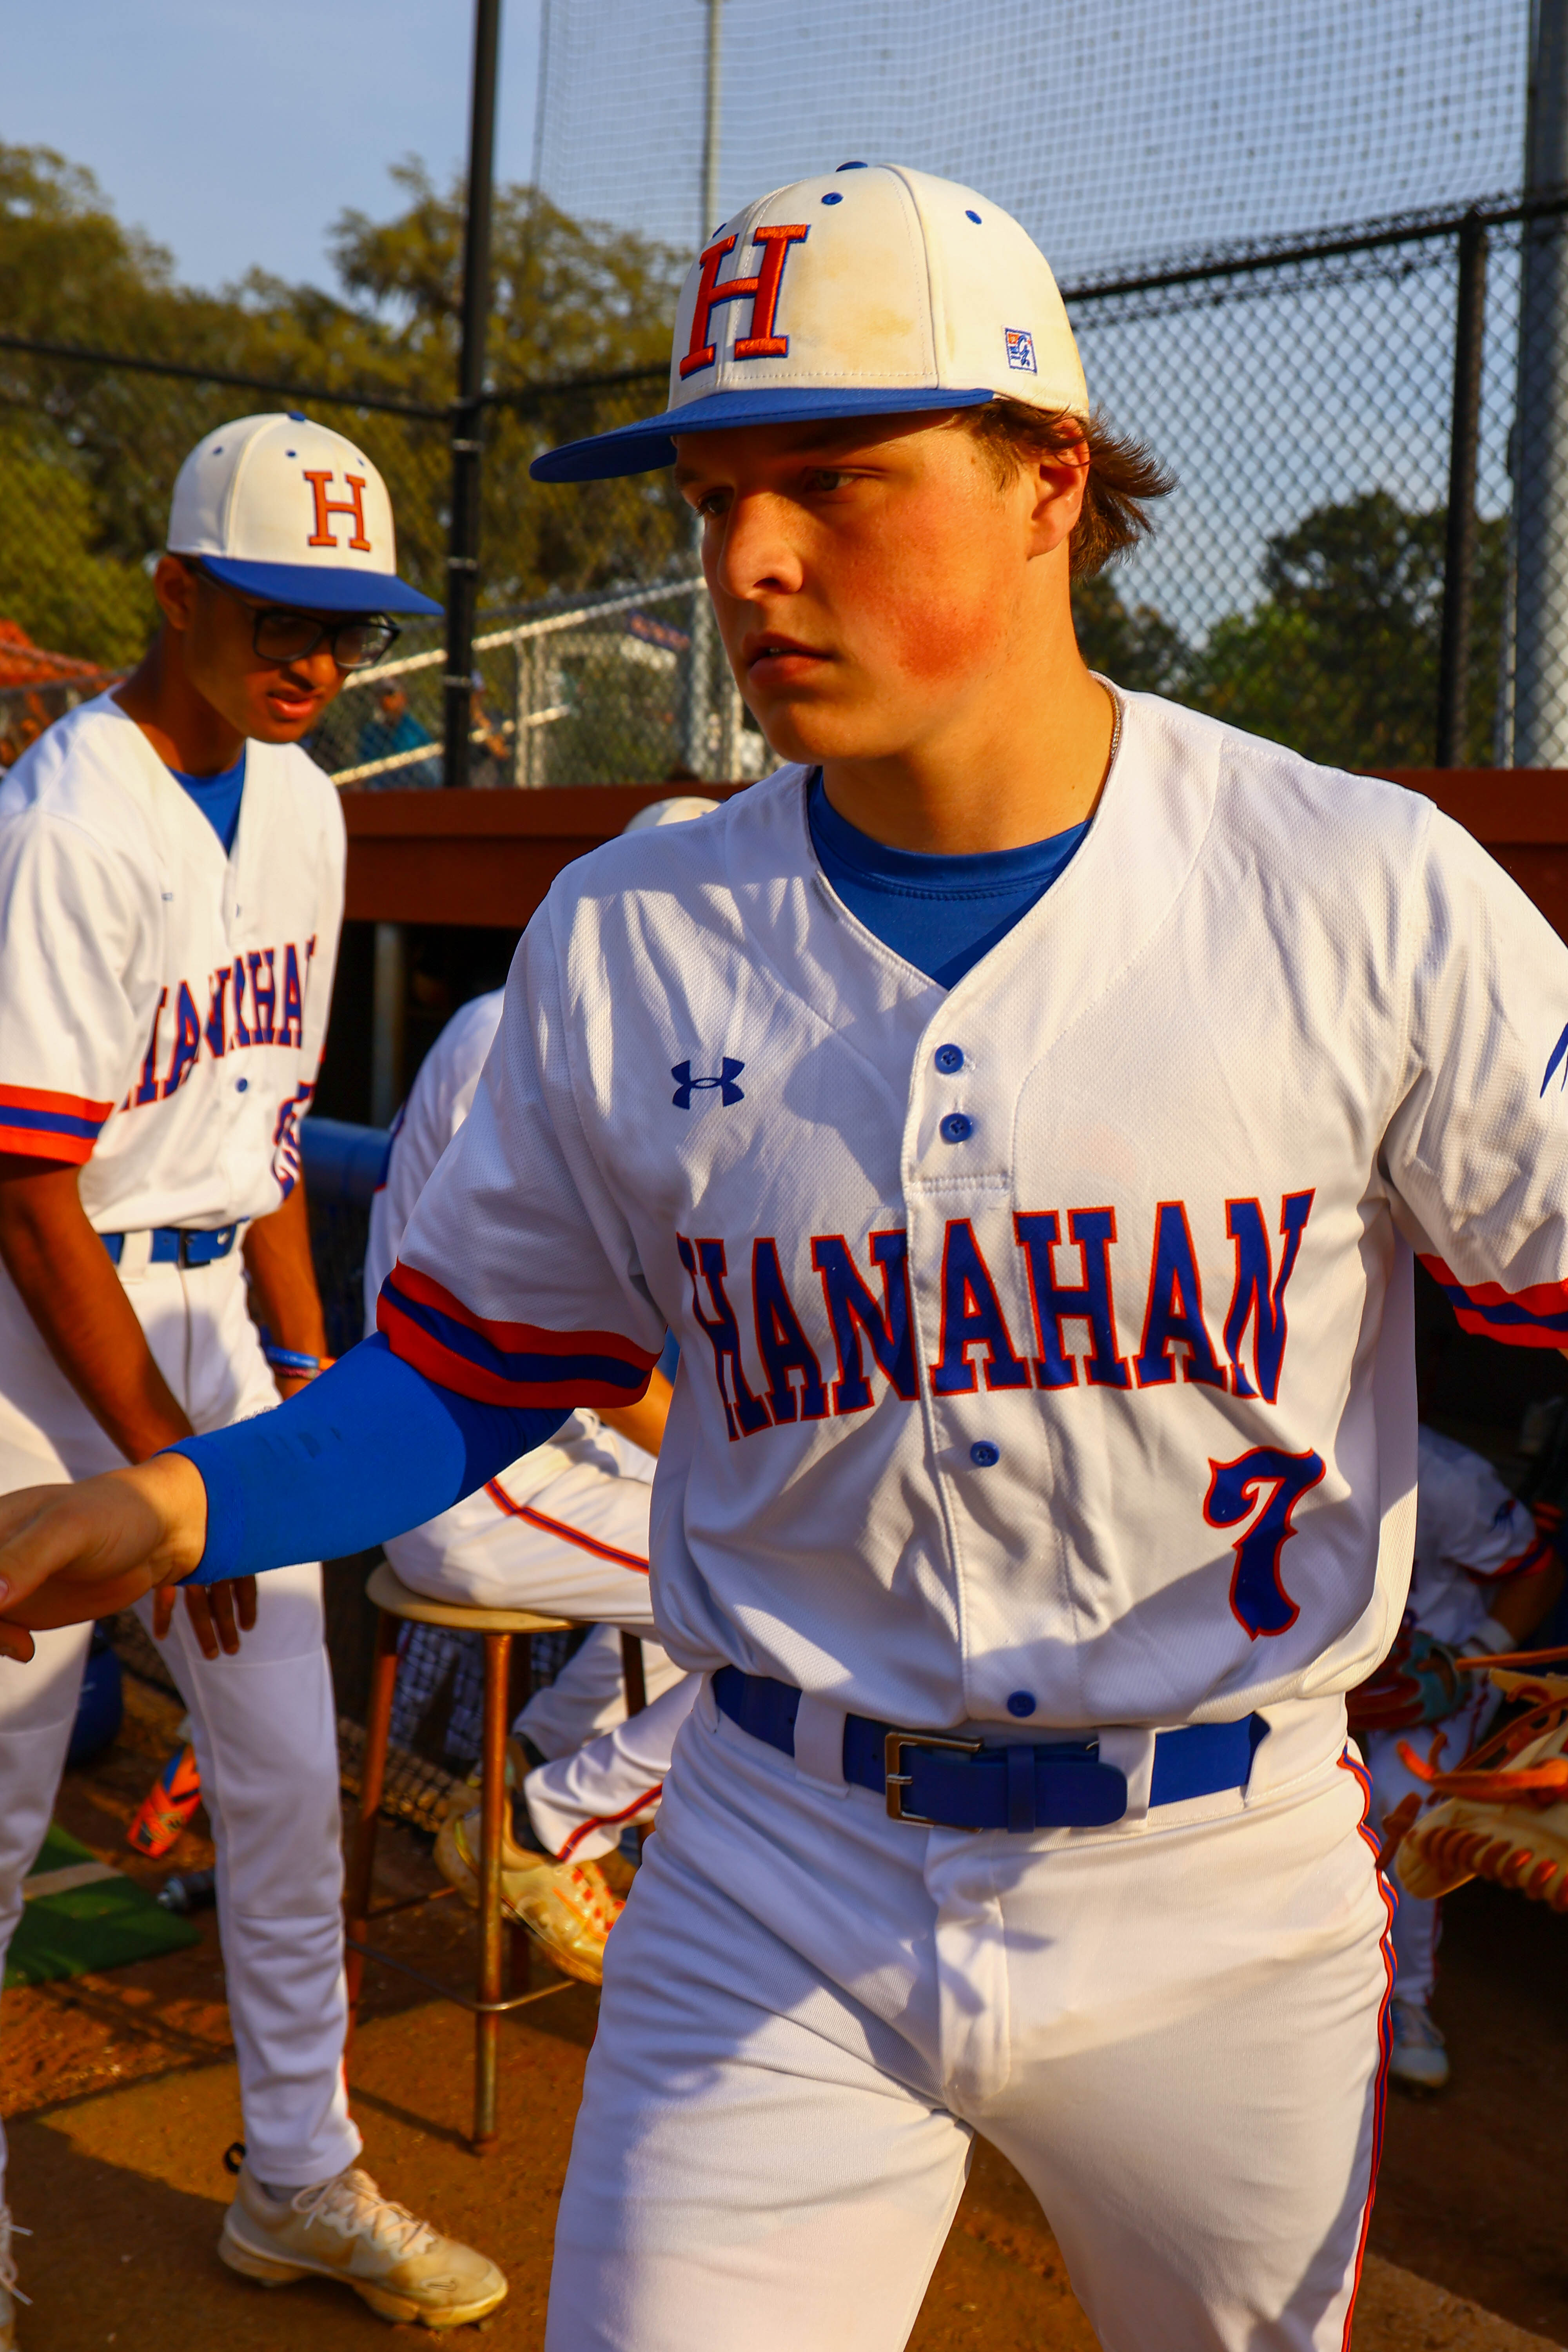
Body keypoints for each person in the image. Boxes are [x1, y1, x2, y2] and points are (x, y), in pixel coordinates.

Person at [6, 163, 1568, 2351]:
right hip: (773, 1854)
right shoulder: (633, 933)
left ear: (1049, 478)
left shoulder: (1359, 892)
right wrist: (168, 1493)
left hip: (1216, 1884)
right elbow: (464, 1365)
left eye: (834, 473)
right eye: (716, 488)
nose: (747, 556)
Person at [0, 413, 505, 2339]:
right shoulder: (67, 815)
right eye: (278, 613)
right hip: (47, 1340)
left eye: (349, 626)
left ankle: (296, 2177)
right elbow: (29, 1183)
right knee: (4, 1790)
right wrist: (163, 1479)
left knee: (290, 1788)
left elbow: (274, 1131)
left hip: (213, 1329)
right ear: (180, 592)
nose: (314, 659)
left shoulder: (304, 799)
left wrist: (288, 1408)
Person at [360, 883, 710, 1983]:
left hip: (518, 1443)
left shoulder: (552, 1020)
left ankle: (533, 1770)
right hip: (472, 1464)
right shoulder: (518, 1034)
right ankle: (544, 1826)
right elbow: (571, 1353)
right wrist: (739, 1461)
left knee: (725, 1567)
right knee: (797, 1598)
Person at [1350, 1424, 1564, 2093]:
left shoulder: (1440, 1475)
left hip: (1432, 1676)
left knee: (1398, 1805)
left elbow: (1537, 1568)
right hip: (1325, 1672)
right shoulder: (1265, 1442)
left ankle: (1406, 2002)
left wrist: (1475, 1655)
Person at [355, 683, 441, 789]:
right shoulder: (372, 733)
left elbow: (432, 774)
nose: (386, 701)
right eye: (382, 696)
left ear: (403, 698)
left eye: (391, 695)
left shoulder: (413, 731)